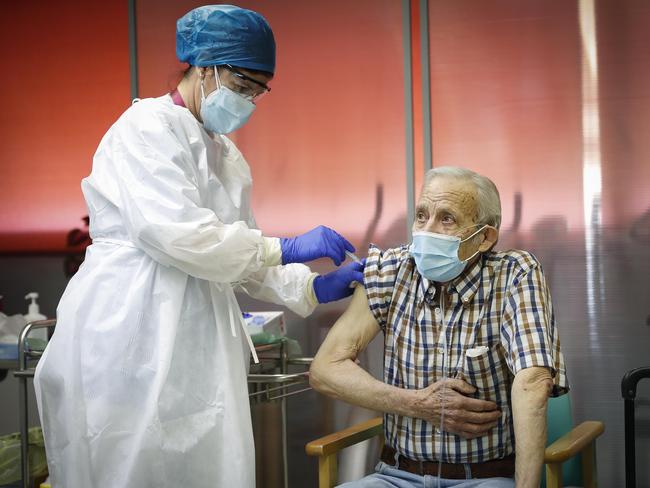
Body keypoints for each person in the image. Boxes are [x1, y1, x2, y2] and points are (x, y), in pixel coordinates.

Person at [34, 5, 363, 488]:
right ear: (205, 66)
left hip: (197, 337)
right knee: (130, 460)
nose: (249, 99)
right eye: (242, 83)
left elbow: (236, 253)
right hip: (131, 322)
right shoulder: (145, 127)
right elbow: (177, 236)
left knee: (203, 459)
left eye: (258, 90)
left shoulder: (225, 154)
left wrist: (311, 287)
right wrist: (286, 247)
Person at [310, 166, 568, 487]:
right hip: (396, 476)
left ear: (485, 237)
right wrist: (419, 404)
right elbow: (325, 368)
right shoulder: (392, 269)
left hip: (483, 477)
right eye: (421, 216)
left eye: (446, 219)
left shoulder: (515, 274)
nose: (426, 231)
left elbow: (533, 380)